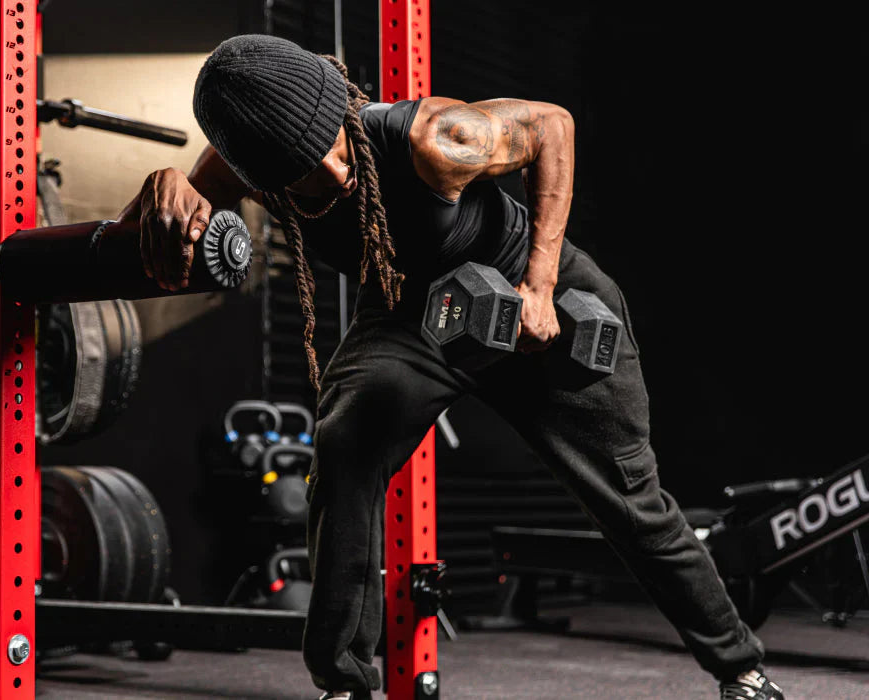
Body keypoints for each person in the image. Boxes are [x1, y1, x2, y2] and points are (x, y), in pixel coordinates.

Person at [117, 34, 786, 700]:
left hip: (528, 296)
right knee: (343, 442)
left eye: (336, 146)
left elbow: (554, 125)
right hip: (414, 316)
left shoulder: (434, 139)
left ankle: (743, 671)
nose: (337, 172)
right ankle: (344, 683)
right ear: (266, 177)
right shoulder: (256, 159)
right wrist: (167, 183)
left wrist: (540, 285)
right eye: (308, 170)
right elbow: (189, 197)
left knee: (631, 502)